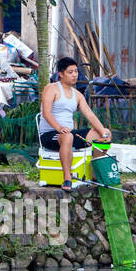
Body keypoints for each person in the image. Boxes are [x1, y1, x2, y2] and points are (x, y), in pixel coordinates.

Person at [39, 56, 111, 190]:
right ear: (61, 74)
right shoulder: (51, 89)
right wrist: (59, 128)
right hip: (50, 135)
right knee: (67, 136)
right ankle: (67, 178)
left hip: (69, 134)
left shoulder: (77, 95)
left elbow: (90, 114)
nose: (74, 75)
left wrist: (103, 132)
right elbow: (46, 113)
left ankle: (95, 175)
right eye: (70, 72)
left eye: (76, 71)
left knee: (104, 134)